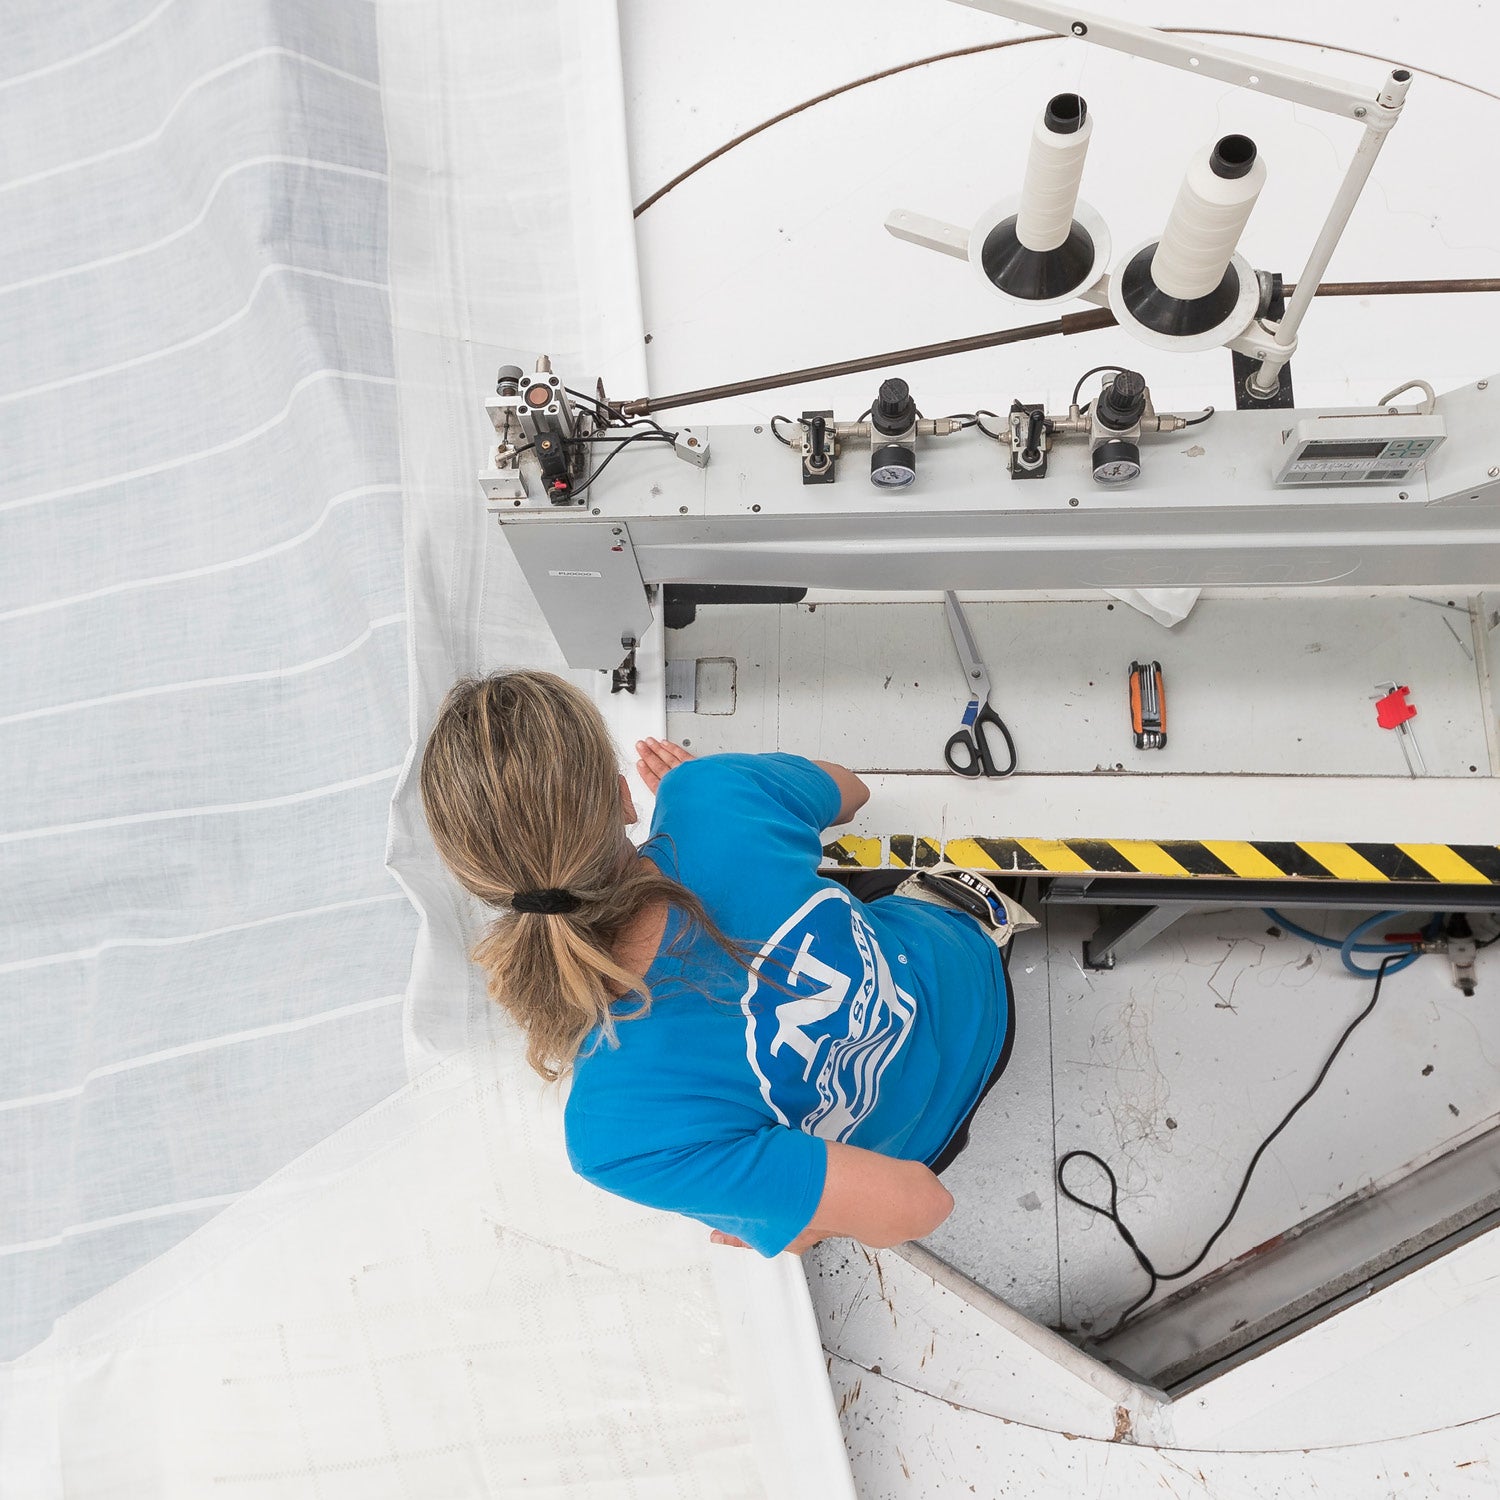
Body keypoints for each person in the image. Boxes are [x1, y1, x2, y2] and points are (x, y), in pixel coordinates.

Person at [418, 668, 1020, 1259]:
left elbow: (920, 1206)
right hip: (973, 980)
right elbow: (852, 792)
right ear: (623, 797)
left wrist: (791, 1221)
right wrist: (715, 786)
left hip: (923, 1140)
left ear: (486, 889)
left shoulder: (614, 1131)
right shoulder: (714, 795)